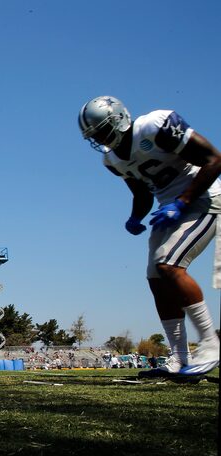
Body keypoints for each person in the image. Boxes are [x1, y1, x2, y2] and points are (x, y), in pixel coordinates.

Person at [78, 96, 221, 378]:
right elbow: (142, 193)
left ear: (119, 119)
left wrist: (182, 201)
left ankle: (210, 343)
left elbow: (214, 160)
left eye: (103, 130)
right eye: (95, 135)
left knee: (169, 265)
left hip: (204, 198)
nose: (101, 139)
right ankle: (180, 357)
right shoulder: (113, 159)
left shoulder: (155, 126)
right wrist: (135, 217)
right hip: (168, 208)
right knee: (157, 278)